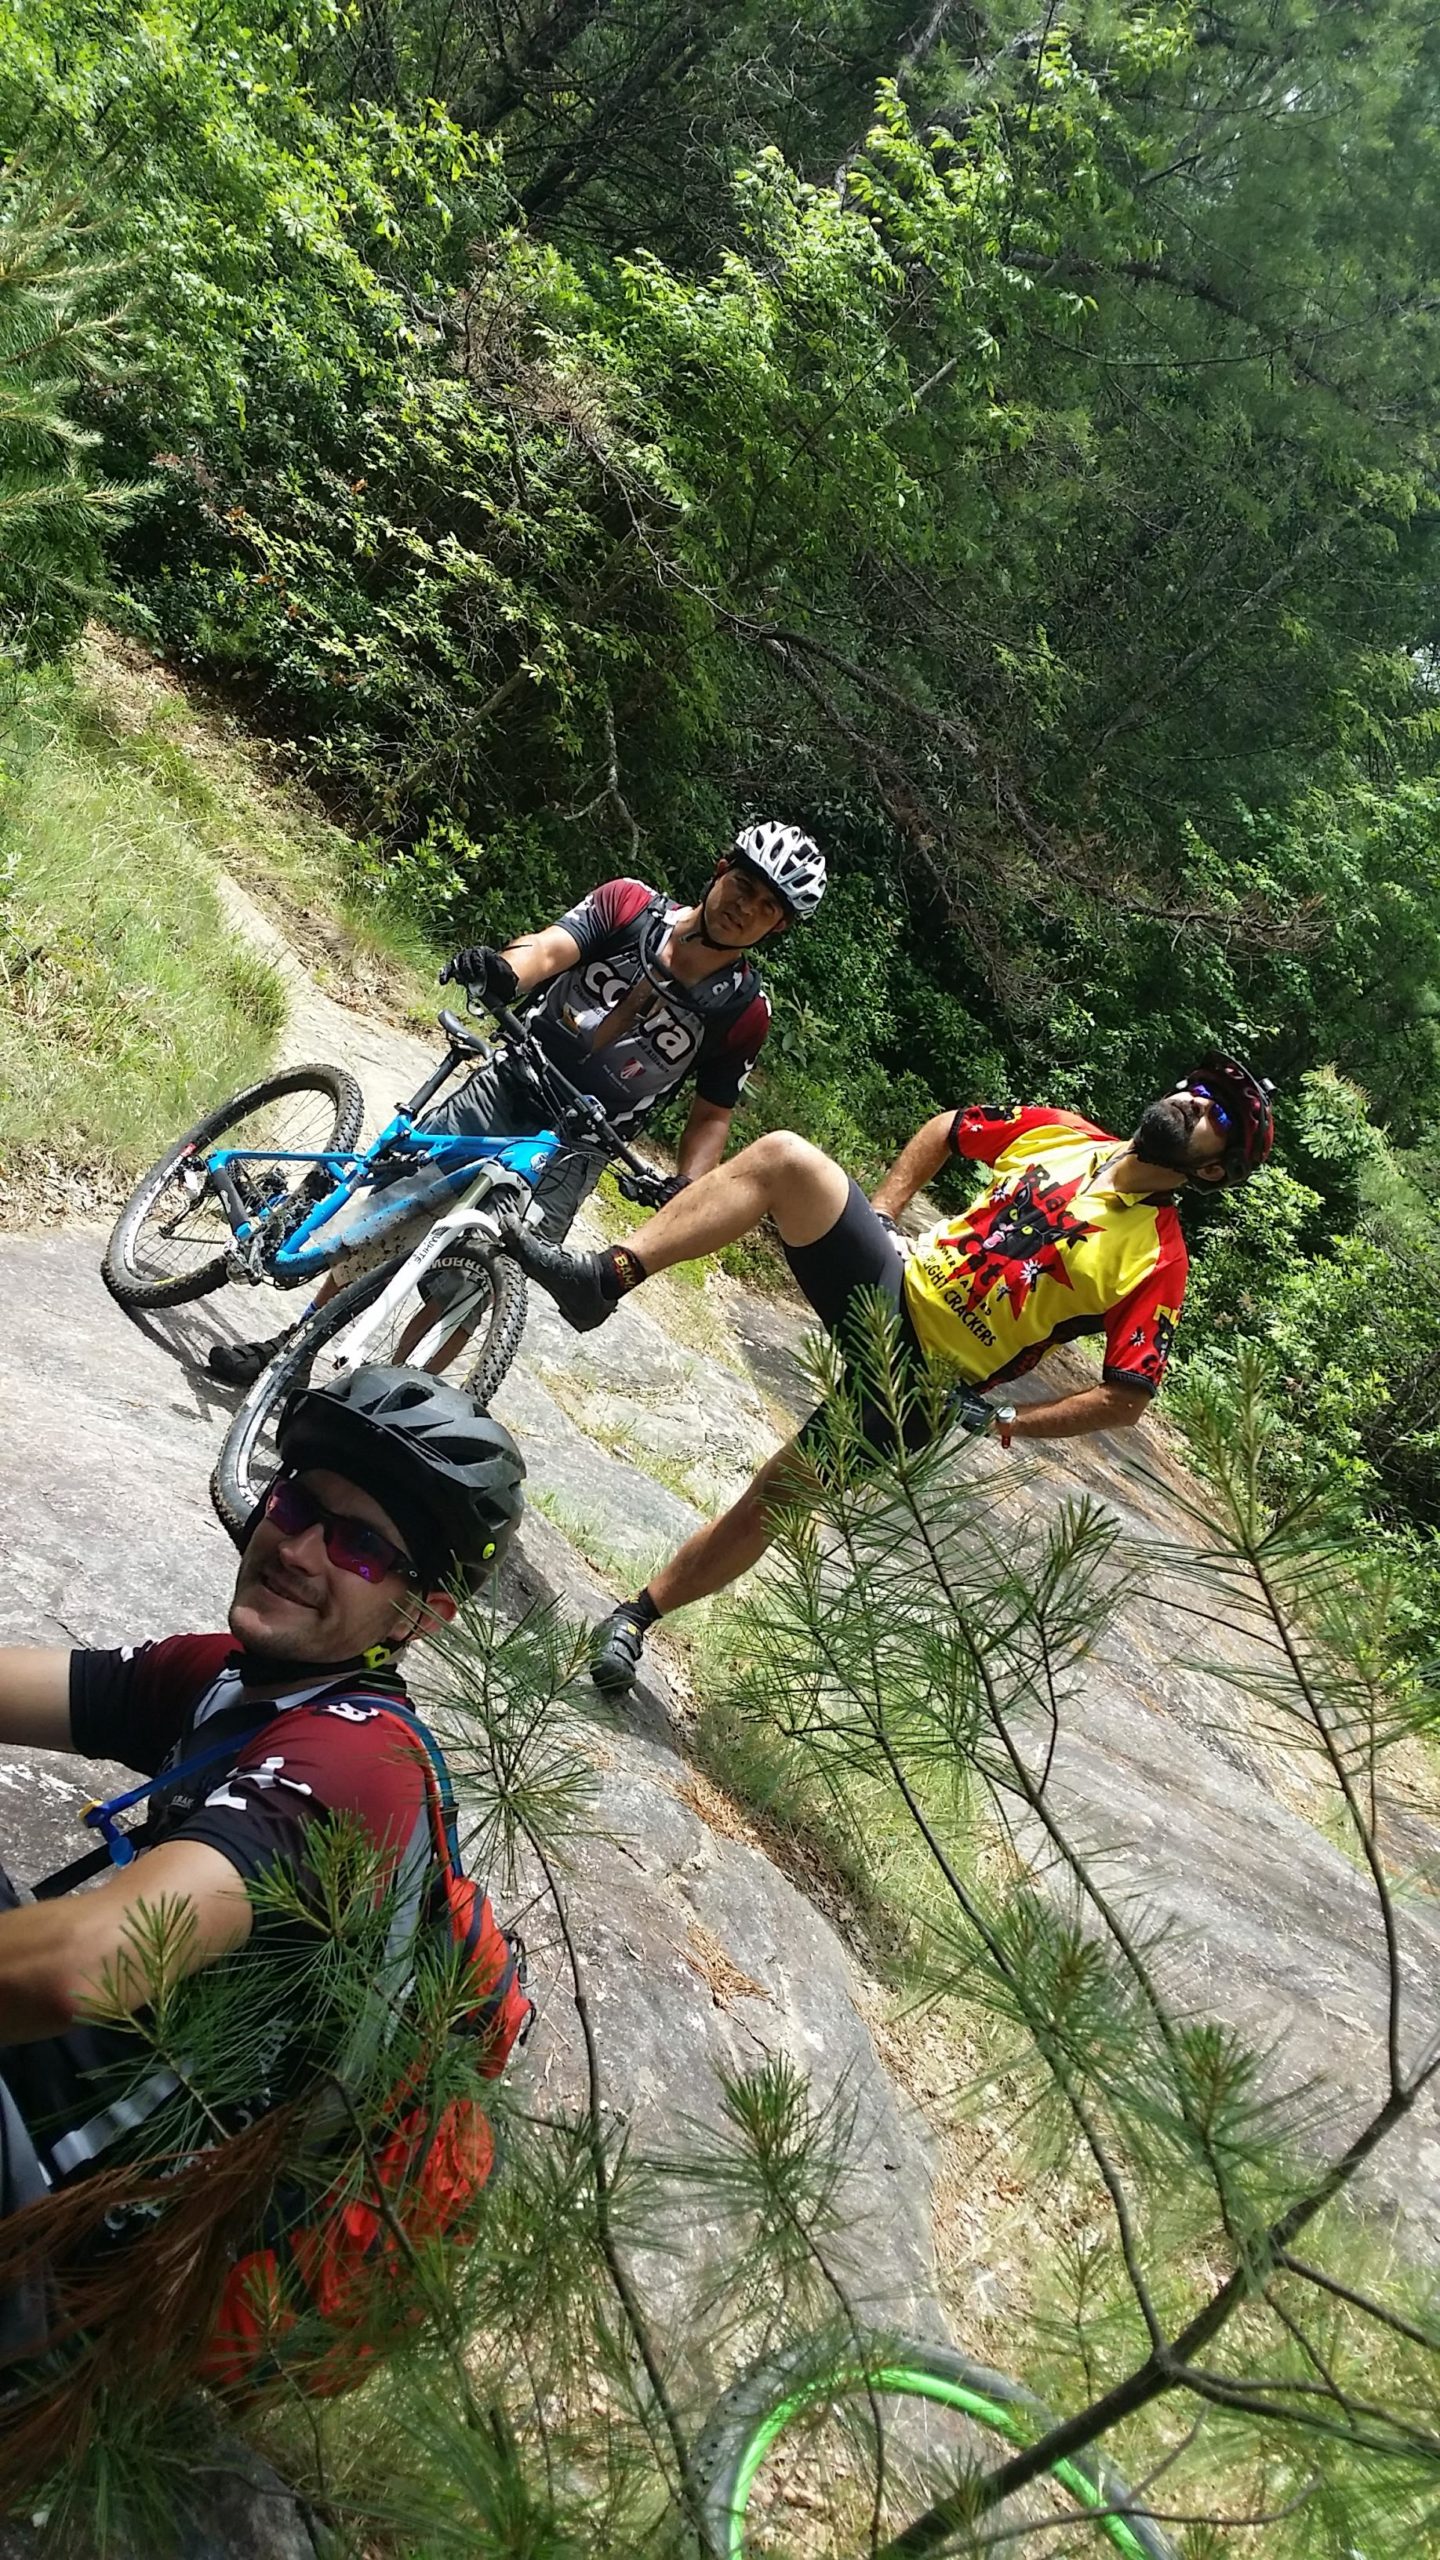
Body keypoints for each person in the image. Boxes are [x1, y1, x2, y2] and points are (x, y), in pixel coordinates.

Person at [501, 1054, 1275, 1693]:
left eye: (1218, 1120)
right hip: (891, 1285)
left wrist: (1011, 1422)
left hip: (925, 1385)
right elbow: (951, 1129)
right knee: (784, 1157)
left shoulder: (1158, 1260)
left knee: (777, 1497)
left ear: (1212, 1172)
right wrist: (882, 1209)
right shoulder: (1063, 1136)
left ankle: (635, 1618)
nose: (1195, 1104)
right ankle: (602, 1280)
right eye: (1199, 1090)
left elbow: (1127, 1397)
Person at [0, 1367, 524, 2231]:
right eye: (295, 1506)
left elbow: (82, 1963)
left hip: (70, 2210)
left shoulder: (358, 1765)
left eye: (361, 1549)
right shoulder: (234, 1680)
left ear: (419, 1616)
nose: (299, 1549)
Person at [208, 820, 827, 1386]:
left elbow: (712, 1114)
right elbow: (549, 949)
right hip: (510, 1085)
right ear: (721, 870)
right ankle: (291, 1350)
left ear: (779, 928)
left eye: (768, 906)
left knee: (476, 1282)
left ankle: (384, 1405)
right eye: (744, 884)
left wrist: (686, 1183)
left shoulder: (743, 1012)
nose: (746, 906)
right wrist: (504, 972)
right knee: (386, 1214)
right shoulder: (632, 904)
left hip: (579, 1147)